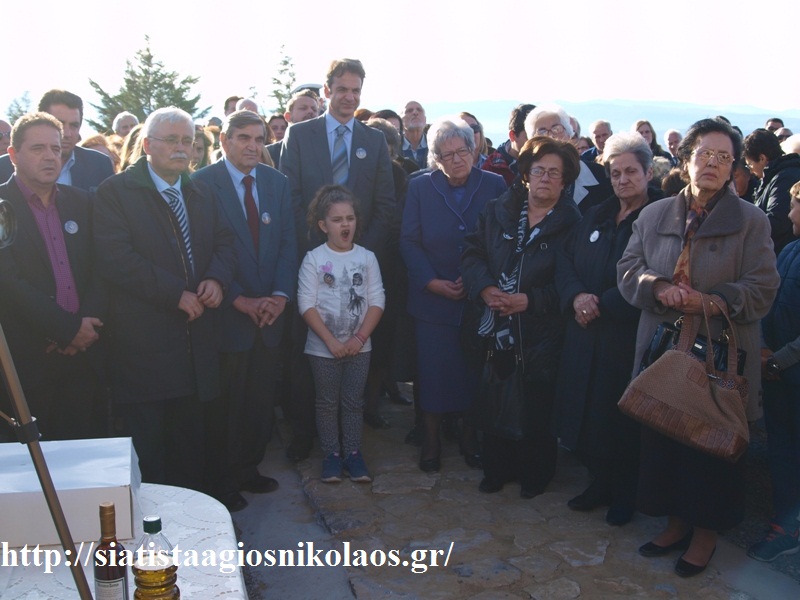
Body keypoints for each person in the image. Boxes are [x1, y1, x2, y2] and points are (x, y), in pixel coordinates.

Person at [617, 117, 779, 577]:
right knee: (665, 438)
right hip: (662, 351)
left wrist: (713, 301)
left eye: (724, 157)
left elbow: (764, 287)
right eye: (704, 154)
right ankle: (675, 524)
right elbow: (628, 269)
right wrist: (658, 286)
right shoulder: (654, 214)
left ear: (734, 168)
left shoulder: (752, 221)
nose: (713, 163)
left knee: (710, 447)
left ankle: (705, 535)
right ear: (686, 159)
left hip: (720, 357)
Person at [93, 107, 236, 491]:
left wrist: (217, 279)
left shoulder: (200, 191)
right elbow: (116, 258)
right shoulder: (115, 193)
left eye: (187, 141)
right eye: (171, 140)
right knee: (151, 453)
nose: (181, 148)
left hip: (196, 348)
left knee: (189, 447)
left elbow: (225, 242)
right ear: (147, 144)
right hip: (145, 350)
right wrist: (174, 294)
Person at [279, 58, 395, 462]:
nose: (349, 97)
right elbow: (291, 198)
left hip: (360, 266)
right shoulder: (300, 134)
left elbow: (385, 204)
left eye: (356, 91)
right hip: (313, 261)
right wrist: (321, 249)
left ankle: (350, 437)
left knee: (354, 350)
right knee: (308, 350)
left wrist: (357, 255)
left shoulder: (373, 141)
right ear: (327, 91)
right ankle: (304, 433)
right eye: (342, 89)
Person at [461, 136, 581, 498]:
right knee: (493, 397)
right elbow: (471, 253)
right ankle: (496, 470)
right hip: (494, 323)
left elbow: (572, 283)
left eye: (554, 173)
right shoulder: (497, 210)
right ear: (526, 174)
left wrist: (530, 301)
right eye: (539, 170)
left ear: (565, 180)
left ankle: (535, 475)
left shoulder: (573, 224)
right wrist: (485, 288)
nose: (545, 178)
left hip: (541, 333)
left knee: (536, 408)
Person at [192, 110, 297, 512]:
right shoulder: (202, 184)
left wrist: (280, 296)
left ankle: (248, 469)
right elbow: (203, 252)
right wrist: (239, 299)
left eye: (259, 139)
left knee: (259, 399)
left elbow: (288, 243)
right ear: (224, 141)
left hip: (270, 314)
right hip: (227, 316)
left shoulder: (276, 183)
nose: (253, 146)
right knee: (226, 404)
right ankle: (221, 480)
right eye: (244, 138)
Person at [555, 132, 662, 526]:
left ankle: (624, 493)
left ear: (648, 173)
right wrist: (576, 297)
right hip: (584, 331)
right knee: (588, 414)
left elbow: (655, 271)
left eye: (631, 172)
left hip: (625, 334)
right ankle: (599, 482)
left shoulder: (659, 218)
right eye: (615, 173)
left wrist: (599, 304)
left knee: (620, 417)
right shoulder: (597, 213)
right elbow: (565, 260)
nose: (622, 180)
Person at [400, 117, 507, 473]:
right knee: (433, 373)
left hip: (478, 297)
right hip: (432, 299)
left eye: (463, 151)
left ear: (474, 150)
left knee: (472, 372)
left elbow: (502, 238)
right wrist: (431, 282)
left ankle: (469, 437)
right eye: (447, 155)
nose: (457, 159)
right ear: (436, 158)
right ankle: (431, 440)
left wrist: (479, 280)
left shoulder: (493, 184)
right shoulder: (420, 186)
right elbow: (409, 240)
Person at [0, 112, 106, 441]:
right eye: (38, 148)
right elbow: (8, 282)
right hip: (28, 363)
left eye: (56, 149)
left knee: (85, 455)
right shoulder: (2, 207)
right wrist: (66, 330)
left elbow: (102, 268)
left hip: (85, 356)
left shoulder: (82, 202)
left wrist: (85, 326)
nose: (49, 156)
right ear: (13, 154)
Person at [297, 185, 385, 483]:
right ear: (323, 226)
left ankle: (353, 454)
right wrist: (331, 342)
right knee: (326, 403)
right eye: (337, 220)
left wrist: (359, 339)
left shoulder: (367, 258)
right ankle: (332, 455)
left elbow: (377, 300)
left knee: (353, 402)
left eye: (350, 218)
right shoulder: (313, 259)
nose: (345, 225)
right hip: (323, 350)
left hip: (360, 348)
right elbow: (306, 304)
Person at [755, 181, 800, 562]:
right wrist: (762, 350)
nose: (789, 213)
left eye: (796, 205)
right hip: (777, 375)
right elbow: (769, 301)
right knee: (782, 449)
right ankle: (785, 521)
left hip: (788, 370)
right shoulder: (789, 249)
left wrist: (777, 360)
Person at [0, 90, 114, 192]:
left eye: (74, 125)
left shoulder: (99, 164)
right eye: (60, 124)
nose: (67, 133)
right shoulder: (3, 167)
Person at [525, 104, 612, 214]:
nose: (550, 136)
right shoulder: (524, 181)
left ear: (570, 135)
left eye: (556, 129)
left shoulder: (599, 175)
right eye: (541, 132)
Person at [743, 128, 800, 255]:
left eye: (750, 164)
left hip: (783, 253)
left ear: (762, 158)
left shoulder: (785, 177)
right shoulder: (771, 177)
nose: (750, 171)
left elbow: (776, 222)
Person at [482, 103, 535, 186]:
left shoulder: (551, 162)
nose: (535, 141)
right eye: (529, 137)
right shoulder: (492, 169)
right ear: (512, 136)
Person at [401, 101, 427, 169]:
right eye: (409, 111)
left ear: (425, 119)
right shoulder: (394, 148)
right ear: (401, 120)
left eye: (419, 110)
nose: (415, 113)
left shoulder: (436, 145)